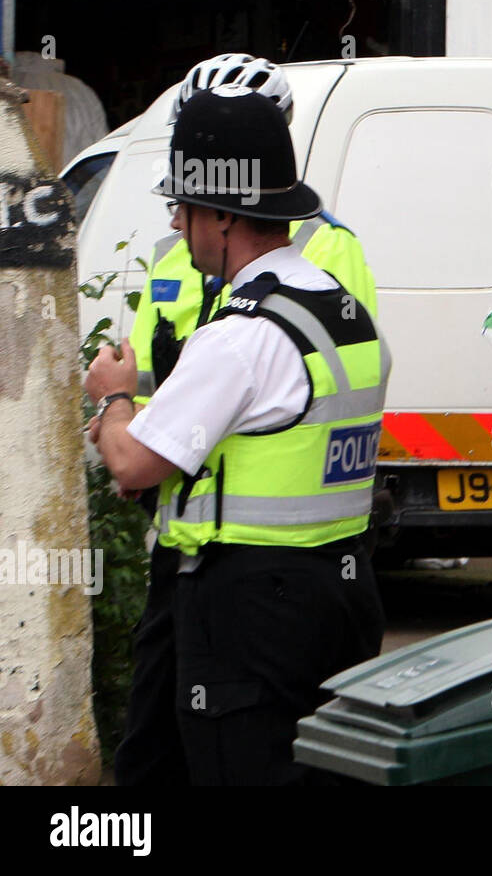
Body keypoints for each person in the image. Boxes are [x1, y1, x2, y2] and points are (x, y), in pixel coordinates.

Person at [84, 87, 390, 784]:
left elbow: (132, 464)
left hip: (248, 606)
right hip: (341, 589)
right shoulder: (340, 311)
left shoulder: (242, 335)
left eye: (183, 208)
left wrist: (115, 400)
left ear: (221, 213)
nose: (178, 224)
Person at [132, 53, 377, 403]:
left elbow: (348, 366)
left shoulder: (330, 244)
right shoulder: (168, 252)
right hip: (175, 446)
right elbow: (142, 377)